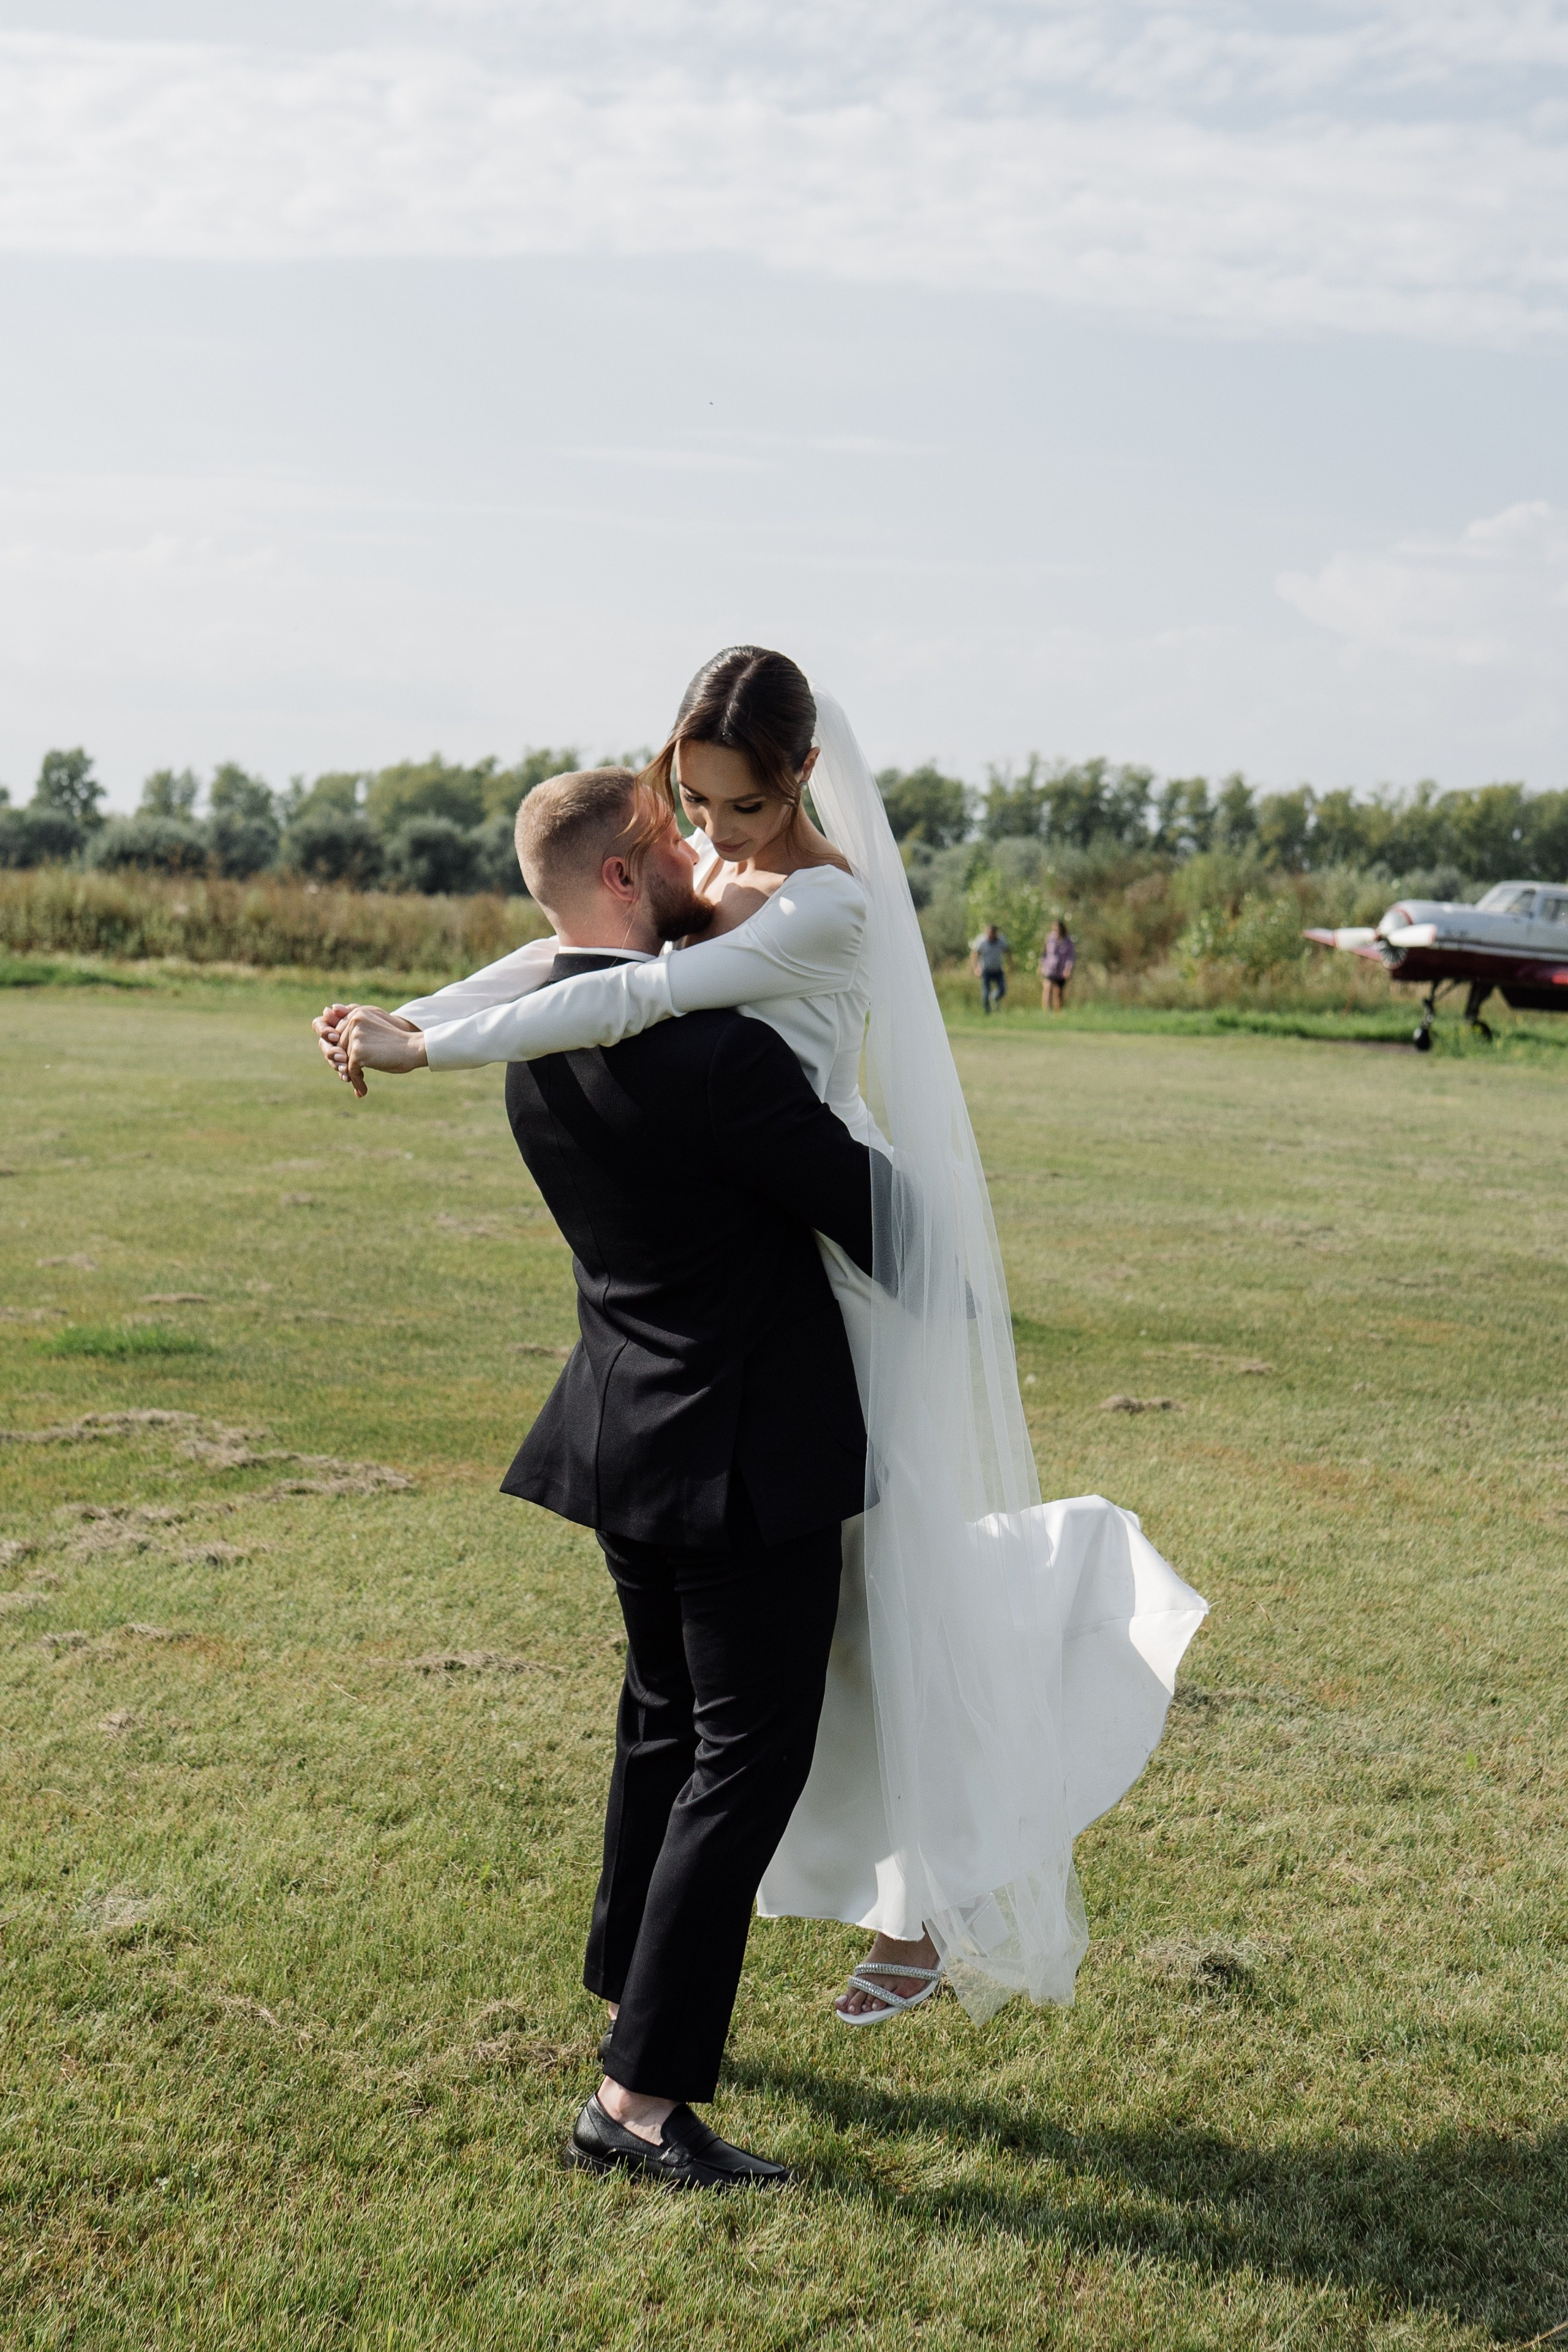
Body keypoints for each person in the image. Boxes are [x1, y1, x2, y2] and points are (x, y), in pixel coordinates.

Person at [319, 647, 1207, 2045]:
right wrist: (416, 1010)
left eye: (734, 808)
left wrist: (434, 1053)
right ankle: (815, 1933)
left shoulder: (823, 907)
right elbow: (568, 952)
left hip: (824, 1279)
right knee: (816, 1636)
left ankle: (919, 1901)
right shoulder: (711, 878)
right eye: (691, 804)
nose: (711, 838)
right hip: (753, 1262)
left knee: (888, 1606)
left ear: (797, 776)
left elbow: (627, 996)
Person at [970, 922, 1009, 1013]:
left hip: (998, 970)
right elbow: (975, 954)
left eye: (994, 933)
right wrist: (976, 968)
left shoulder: (1001, 940)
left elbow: (1007, 952)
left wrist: (1010, 966)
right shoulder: (982, 941)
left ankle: (994, 997)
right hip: (986, 970)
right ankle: (987, 1012)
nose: (992, 935)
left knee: (1003, 989)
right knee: (986, 992)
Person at [1039, 919, 1076, 1012]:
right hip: (1050, 968)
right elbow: (1044, 953)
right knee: (1047, 988)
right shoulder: (1049, 938)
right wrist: (1041, 965)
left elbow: (1070, 956)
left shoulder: (1068, 940)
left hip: (1061, 970)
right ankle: (1046, 1012)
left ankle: (1058, 1013)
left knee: (1058, 992)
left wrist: (1068, 969)